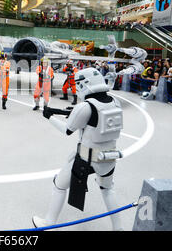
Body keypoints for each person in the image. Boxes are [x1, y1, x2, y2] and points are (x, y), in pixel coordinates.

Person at [33, 67, 123, 231]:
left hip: (86, 158)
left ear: (85, 84)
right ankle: (118, 228)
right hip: (109, 156)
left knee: (59, 185)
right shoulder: (115, 102)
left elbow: (68, 130)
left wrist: (50, 117)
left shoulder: (86, 106)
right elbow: (95, 124)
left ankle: (48, 222)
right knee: (108, 189)